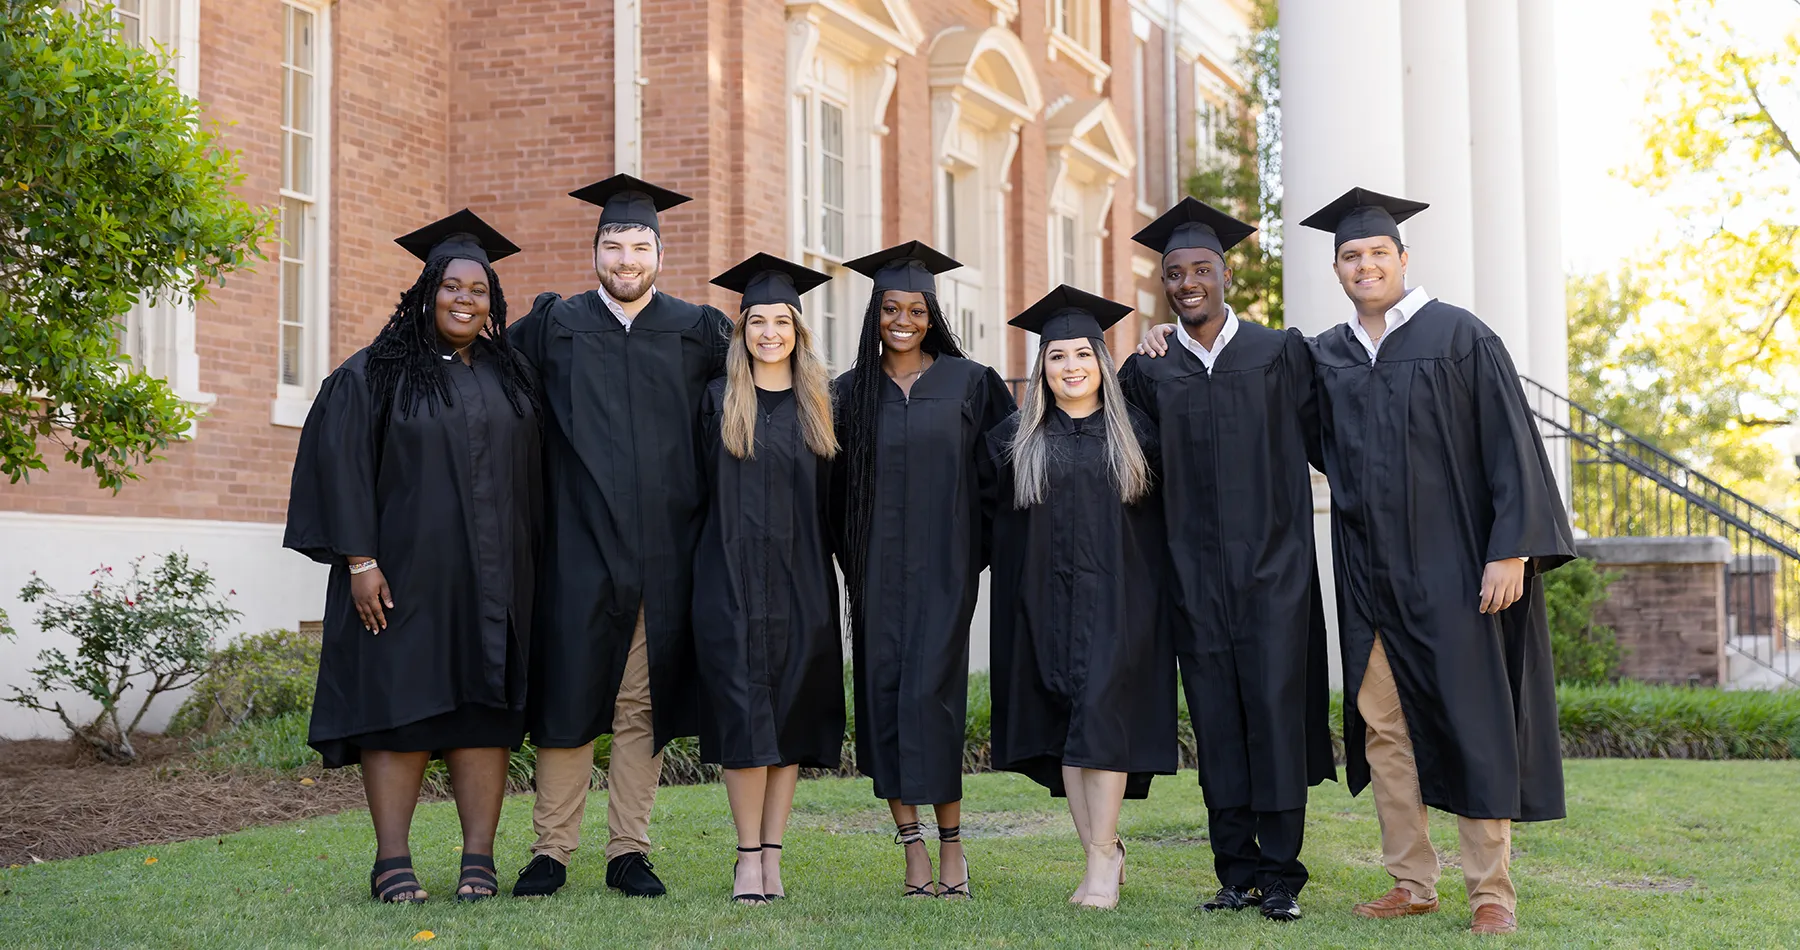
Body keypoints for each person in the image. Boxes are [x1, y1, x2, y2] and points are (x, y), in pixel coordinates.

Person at [1298, 186, 1577, 936]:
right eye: (1351, 256)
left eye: (1377, 253)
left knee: (1473, 720)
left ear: (1402, 258)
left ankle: (1490, 890)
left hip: (1459, 571)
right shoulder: (1326, 356)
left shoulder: (1459, 337)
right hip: (1369, 576)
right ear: (1337, 267)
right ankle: (1411, 880)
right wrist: (1161, 341)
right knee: (1384, 724)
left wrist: (1509, 549)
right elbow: (1259, 404)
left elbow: (1510, 448)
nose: (1365, 265)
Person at [284, 210, 542, 905]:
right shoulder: (373, 374)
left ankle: (478, 861)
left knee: (482, 716)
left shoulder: (512, 377)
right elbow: (338, 470)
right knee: (399, 711)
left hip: (493, 584)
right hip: (402, 580)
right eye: (451, 286)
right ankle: (391, 862)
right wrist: (360, 561)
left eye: (478, 289)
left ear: (493, 301)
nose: (465, 299)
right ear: (426, 292)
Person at [507, 174, 733, 899]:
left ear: (660, 251)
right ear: (596, 249)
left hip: (667, 553)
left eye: (639, 244)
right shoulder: (554, 325)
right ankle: (551, 851)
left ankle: (629, 851)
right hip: (576, 550)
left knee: (642, 706)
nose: (627, 258)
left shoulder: (698, 330)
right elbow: (486, 384)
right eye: (614, 244)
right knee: (570, 699)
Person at [1127, 198, 1336, 923]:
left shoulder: (1281, 354)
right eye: (1175, 273)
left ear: (1226, 272)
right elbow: (1122, 462)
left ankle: (1281, 875)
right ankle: (1234, 872)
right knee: (1216, 720)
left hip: (1275, 576)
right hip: (1192, 576)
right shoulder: (1149, 370)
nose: (1189, 282)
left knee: (1274, 717)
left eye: (1201, 270)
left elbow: (1333, 444)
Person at [831, 241, 1016, 899]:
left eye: (915, 308)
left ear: (932, 314)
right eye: (890, 308)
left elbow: (1007, 474)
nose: (902, 319)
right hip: (874, 573)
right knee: (882, 696)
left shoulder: (971, 383)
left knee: (932, 698)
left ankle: (954, 847)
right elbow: (830, 491)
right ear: (874, 314)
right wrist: (850, 559)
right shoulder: (847, 393)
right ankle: (911, 851)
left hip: (945, 570)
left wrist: (973, 552)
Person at [985, 285, 1176, 911]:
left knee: (1101, 723)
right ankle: (1100, 848)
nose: (1071, 367)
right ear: (1043, 367)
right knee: (1069, 728)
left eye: (1083, 355)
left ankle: (1101, 858)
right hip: (1043, 604)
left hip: (1120, 604)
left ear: (1102, 361)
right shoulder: (1014, 441)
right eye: (1058, 356)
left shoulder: (1137, 435)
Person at [692, 253, 844, 905]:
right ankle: (745, 856)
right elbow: (693, 493)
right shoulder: (717, 400)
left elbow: (835, 503)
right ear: (742, 330)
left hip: (801, 584)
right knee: (742, 723)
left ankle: (772, 856)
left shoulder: (820, 405)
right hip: (726, 581)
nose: (770, 333)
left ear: (799, 331)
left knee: (786, 723)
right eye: (758, 321)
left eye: (782, 321)